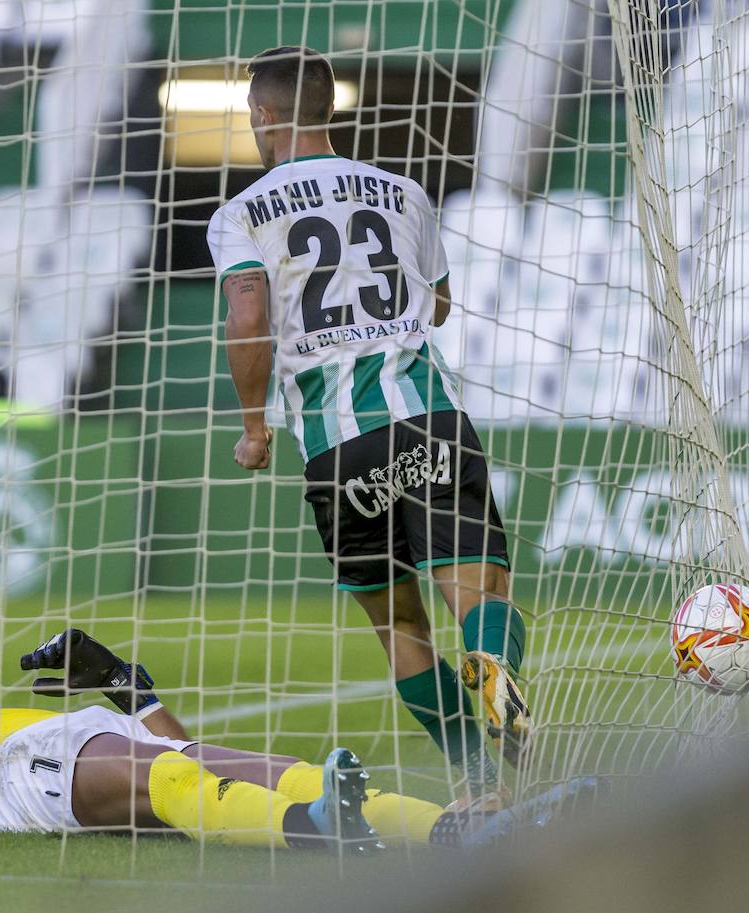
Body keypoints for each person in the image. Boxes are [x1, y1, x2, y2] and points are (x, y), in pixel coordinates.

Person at [205, 46, 532, 798]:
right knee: (481, 596)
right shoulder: (403, 192)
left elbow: (248, 310)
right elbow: (439, 305)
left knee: (401, 628)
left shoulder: (240, 214)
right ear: (330, 108)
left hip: (335, 447)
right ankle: (494, 667)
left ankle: (478, 778)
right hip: (427, 420)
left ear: (261, 114)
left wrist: (255, 427)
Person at [0, 574, 510, 850]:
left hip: (78, 740)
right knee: (178, 782)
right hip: (19, 773)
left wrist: (124, 686)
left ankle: (453, 829)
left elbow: (179, 747)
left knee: (271, 769)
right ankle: (310, 830)